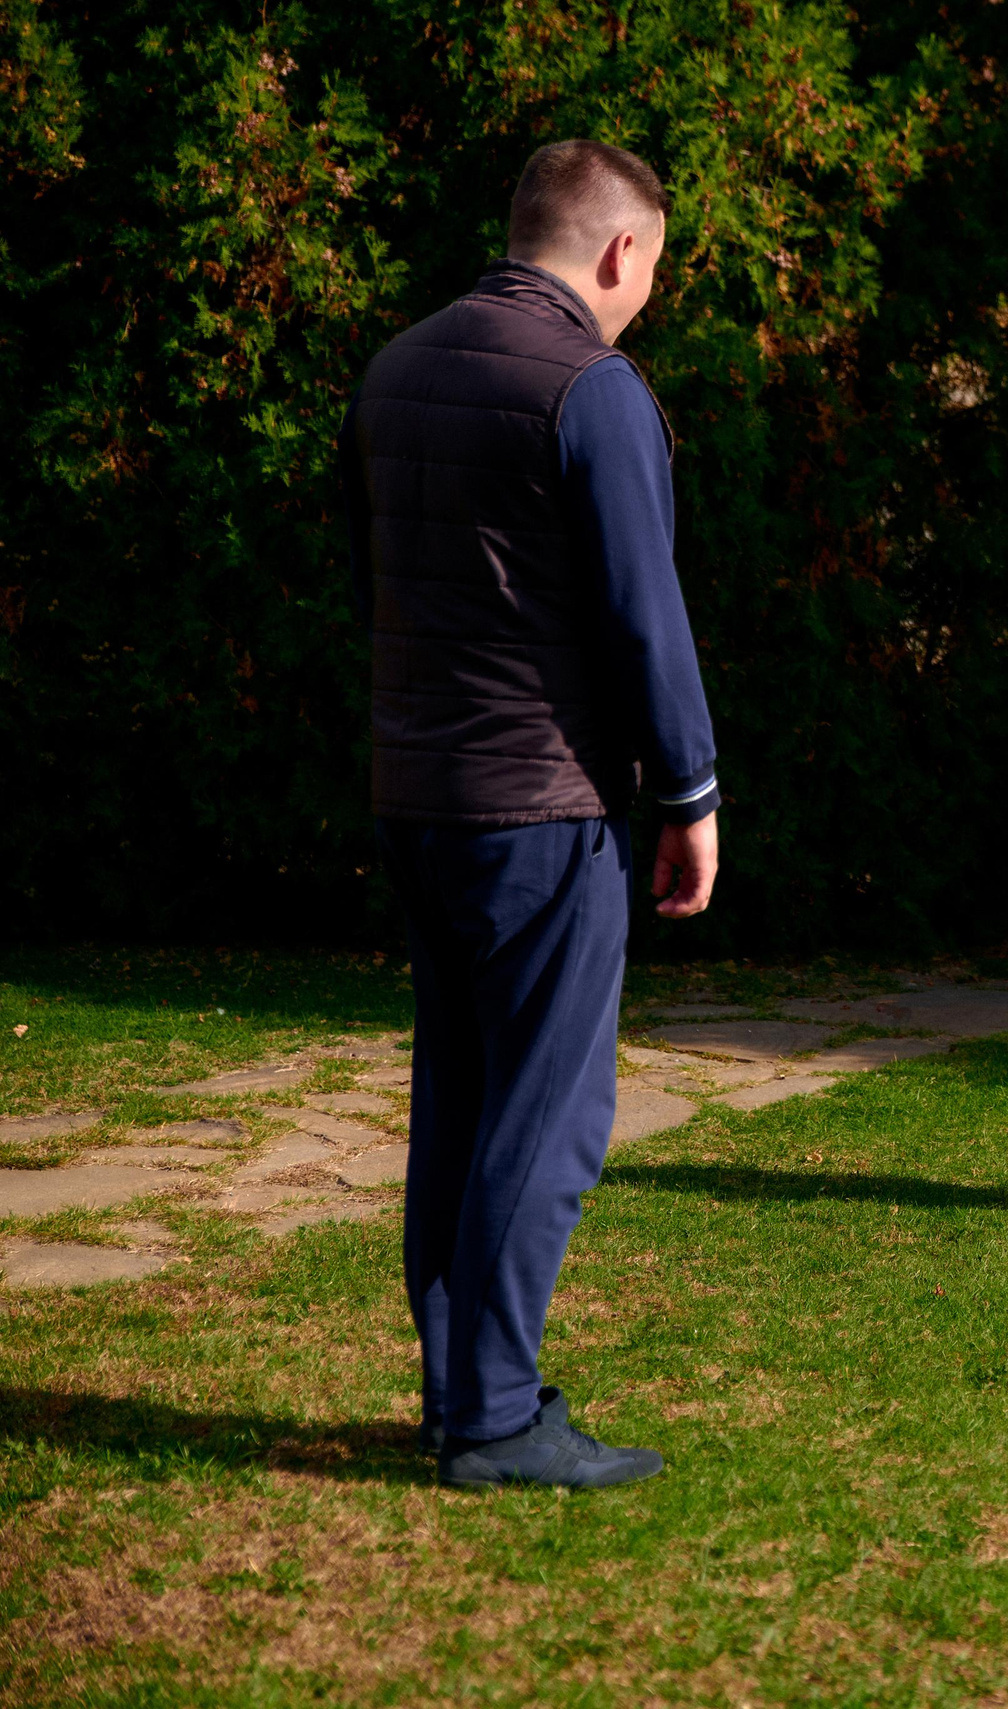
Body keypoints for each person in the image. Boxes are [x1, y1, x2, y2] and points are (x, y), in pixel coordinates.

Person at [341, 140, 720, 1489]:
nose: (648, 294)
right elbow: (643, 615)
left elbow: (370, 574)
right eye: (655, 269)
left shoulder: (397, 370)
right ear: (621, 251)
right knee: (548, 1114)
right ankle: (497, 1417)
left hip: (417, 795)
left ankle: (462, 1392)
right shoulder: (589, 387)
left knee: (459, 1096)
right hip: (545, 809)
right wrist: (689, 793)